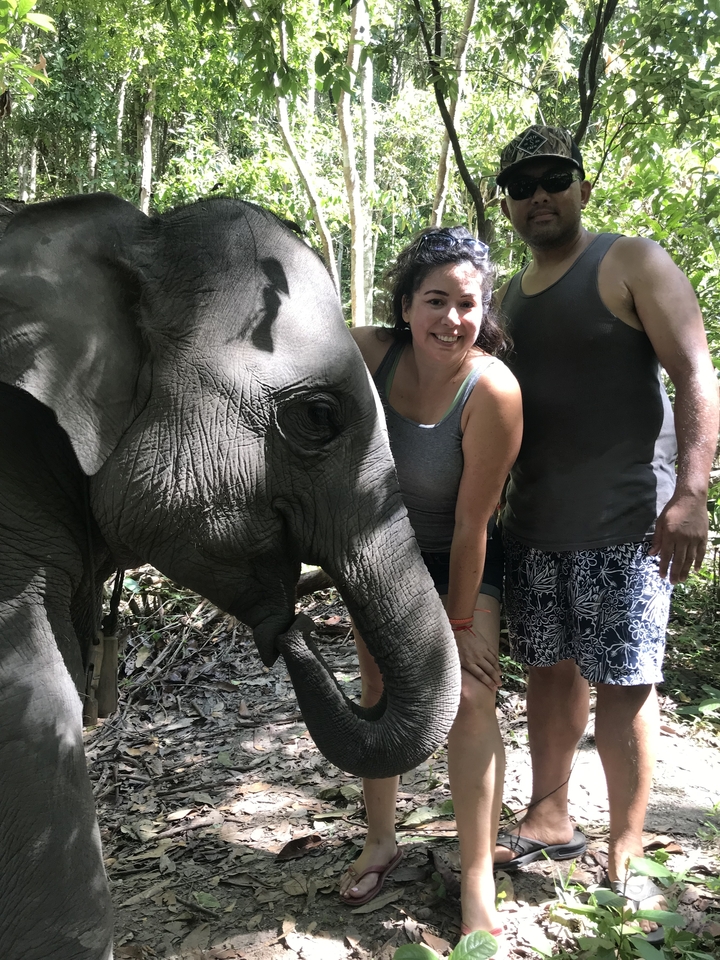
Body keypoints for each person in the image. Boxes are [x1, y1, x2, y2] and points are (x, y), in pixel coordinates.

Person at [493, 125, 719, 933]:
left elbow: (695, 369)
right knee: (549, 675)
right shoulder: (508, 296)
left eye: (555, 178)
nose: (539, 195)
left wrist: (692, 493)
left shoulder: (630, 261)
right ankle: (548, 820)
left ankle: (628, 849)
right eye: (522, 185)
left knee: (625, 688)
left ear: (584, 188)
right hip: (535, 523)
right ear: (507, 205)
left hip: (627, 525)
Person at [338, 227, 523, 942]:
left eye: (468, 304)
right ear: (406, 304)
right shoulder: (366, 353)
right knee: (381, 688)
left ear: (485, 312)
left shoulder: (493, 388)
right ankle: (382, 839)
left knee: (469, 696)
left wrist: (461, 628)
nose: (451, 318)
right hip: (382, 551)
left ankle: (476, 876)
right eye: (435, 300)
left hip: (462, 555)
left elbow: (476, 525)